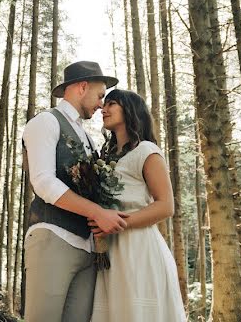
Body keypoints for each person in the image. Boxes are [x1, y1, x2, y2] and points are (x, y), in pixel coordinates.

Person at [22, 61, 126, 322]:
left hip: (88, 249)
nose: (102, 104)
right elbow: (43, 182)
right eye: (100, 96)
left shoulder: (89, 139)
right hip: (53, 239)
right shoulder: (46, 122)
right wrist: (96, 212)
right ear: (82, 87)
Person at [90, 88, 187, 322]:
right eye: (104, 104)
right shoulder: (105, 156)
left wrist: (118, 222)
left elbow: (166, 206)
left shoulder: (147, 151)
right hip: (109, 250)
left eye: (112, 104)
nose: (104, 109)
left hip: (138, 248)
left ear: (130, 109)